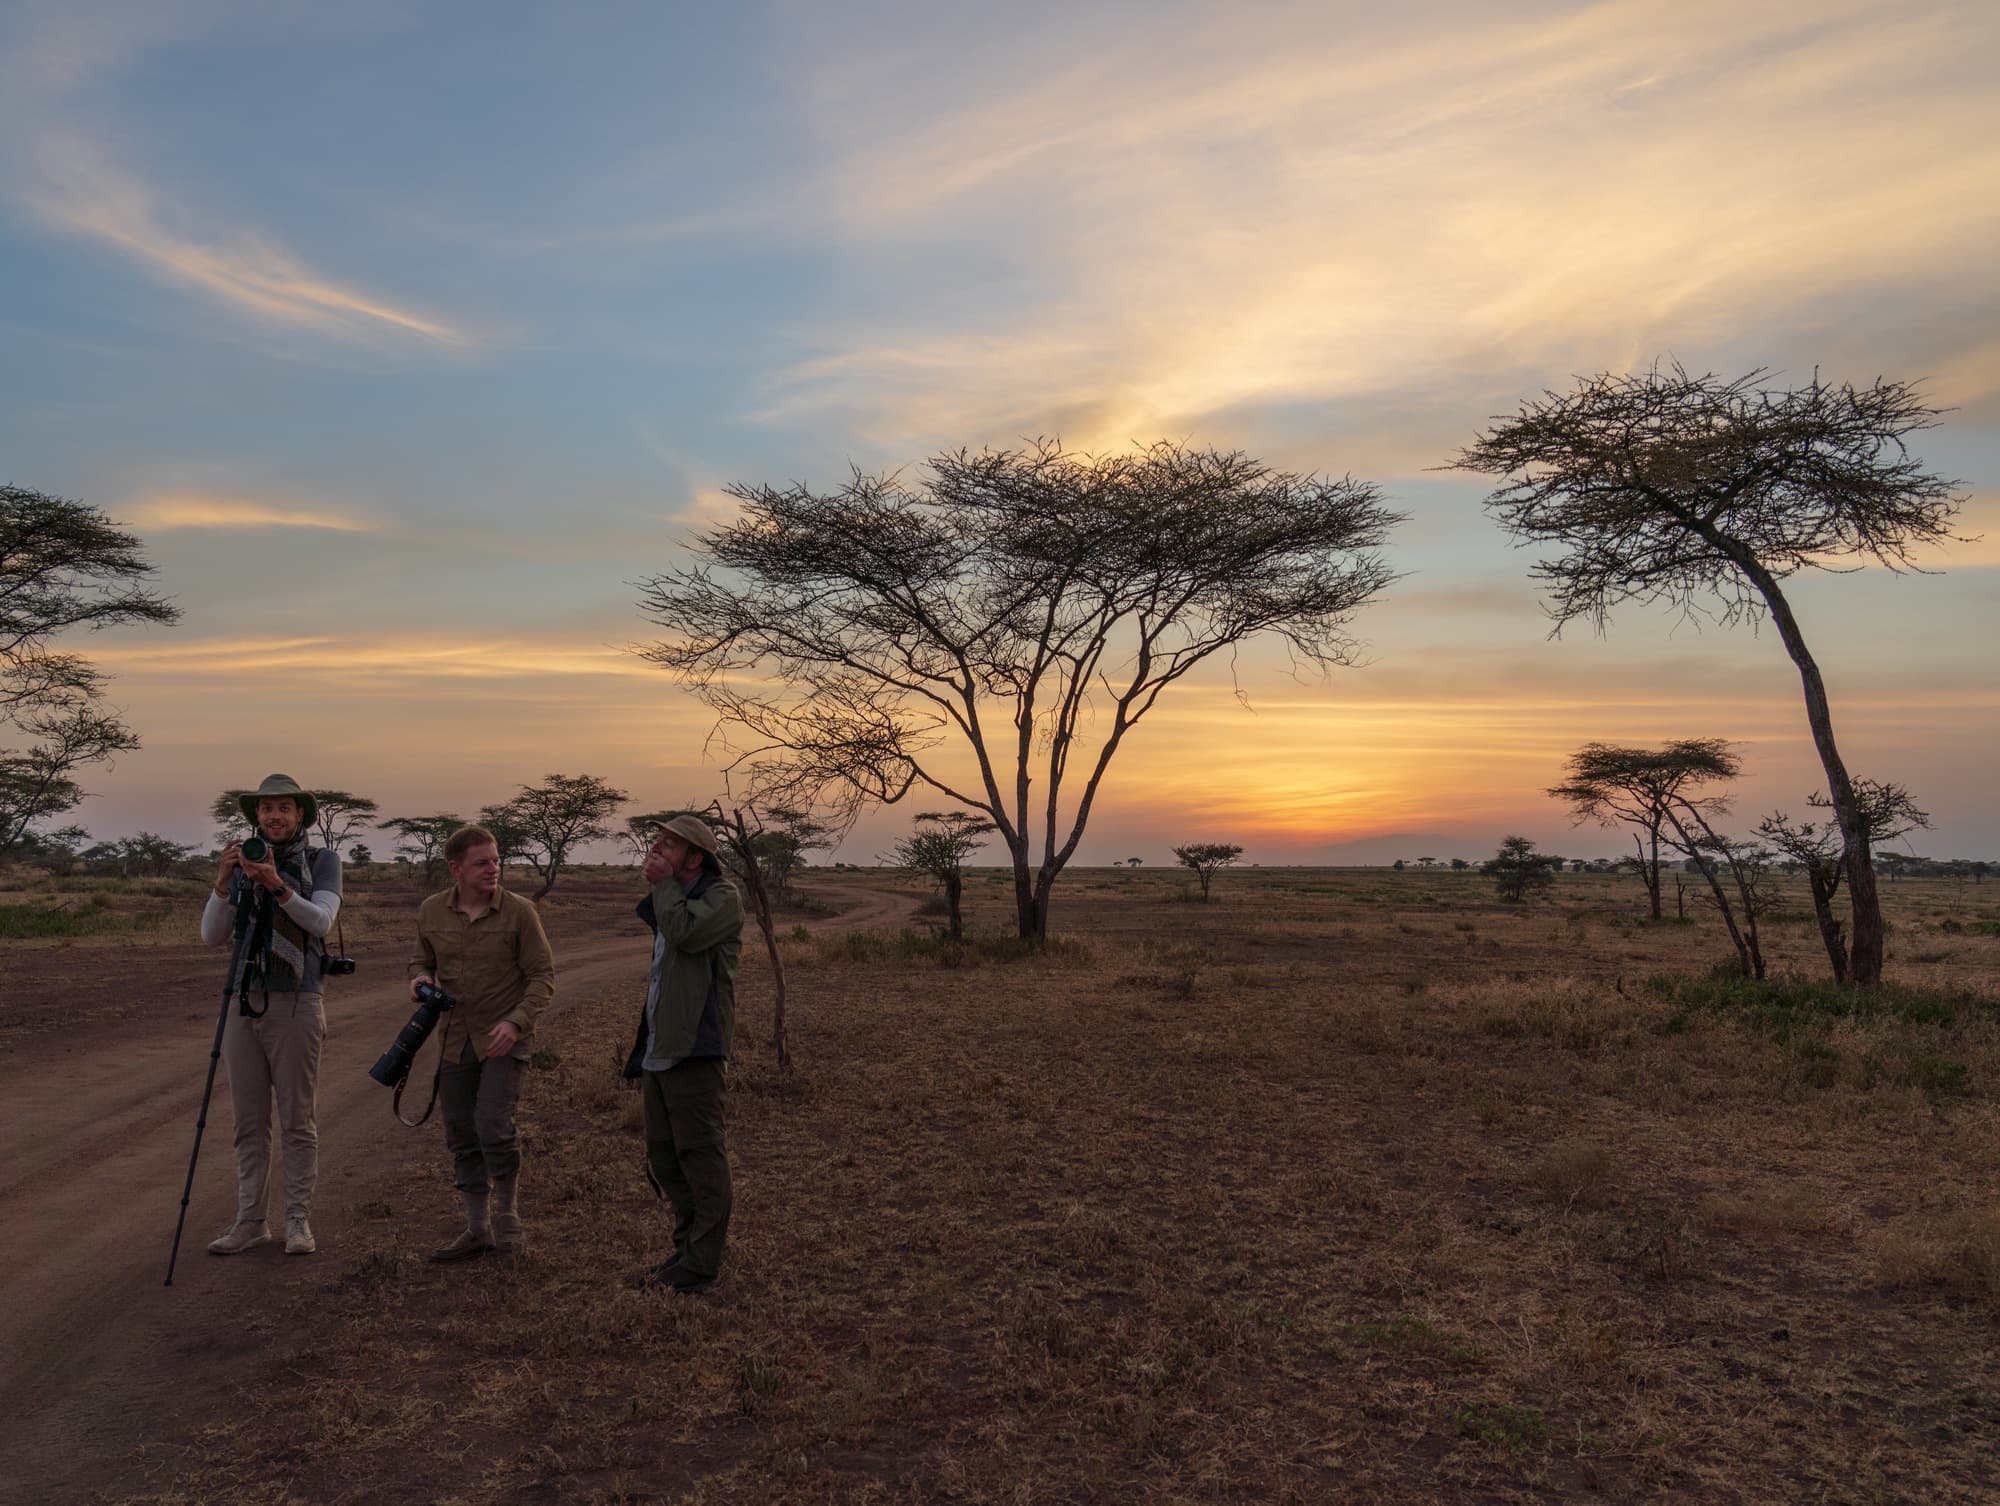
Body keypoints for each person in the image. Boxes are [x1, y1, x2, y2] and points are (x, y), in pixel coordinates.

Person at [199, 773, 343, 1257]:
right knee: (248, 1121)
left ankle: (297, 1219)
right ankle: (250, 1221)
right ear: (256, 817)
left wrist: (276, 884)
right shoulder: (244, 860)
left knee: (297, 1119)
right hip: (243, 998)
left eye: (283, 808)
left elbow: (321, 921)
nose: (274, 816)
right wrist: (224, 882)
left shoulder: (322, 862)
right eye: (266, 809)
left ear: (300, 814)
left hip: (297, 998)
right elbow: (212, 936)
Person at [410, 824, 556, 1262]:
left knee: (493, 1123)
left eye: (496, 861)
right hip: (455, 1039)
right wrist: (420, 979)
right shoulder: (431, 911)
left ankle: (508, 1219)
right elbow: (420, 959)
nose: (493, 869)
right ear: (456, 869)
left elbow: (543, 976)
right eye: (482, 863)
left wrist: (516, 1022)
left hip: (503, 1039)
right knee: (461, 1131)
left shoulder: (520, 912)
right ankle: (477, 1229)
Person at [624, 814, 744, 1295]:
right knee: (666, 1156)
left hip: (697, 1046)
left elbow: (684, 934)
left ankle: (701, 1262)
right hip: (662, 1044)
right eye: (657, 841)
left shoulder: (723, 897)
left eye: (669, 845)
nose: (657, 849)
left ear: (695, 858)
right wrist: (664, 887)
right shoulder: (676, 896)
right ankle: (686, 1250)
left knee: (700, 1155)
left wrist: (664, 885)